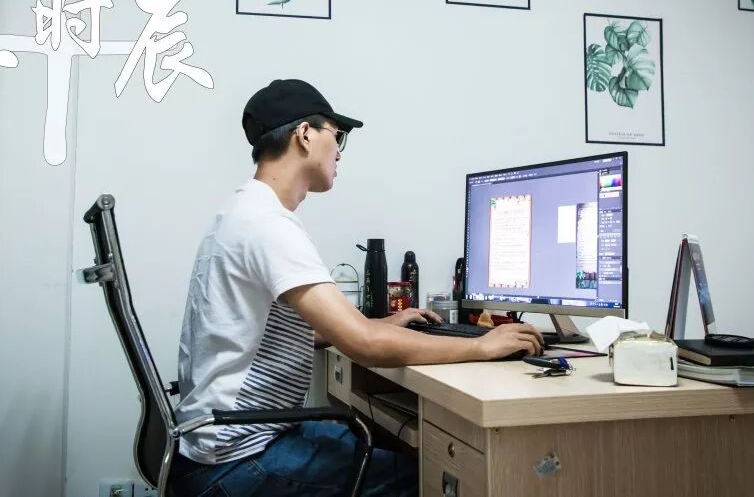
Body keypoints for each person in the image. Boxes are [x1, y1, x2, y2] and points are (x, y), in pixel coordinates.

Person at [171, 79, 544, 496]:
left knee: (379, 442)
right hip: (236, 461)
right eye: (337, 135)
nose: (340, 151)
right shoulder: (267, 225)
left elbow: (272, 332)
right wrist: (482, 346)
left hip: (215, 445)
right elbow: (364, 346)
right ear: (305, 135)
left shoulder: (241, 211)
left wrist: (381, 325)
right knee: (427, 479)